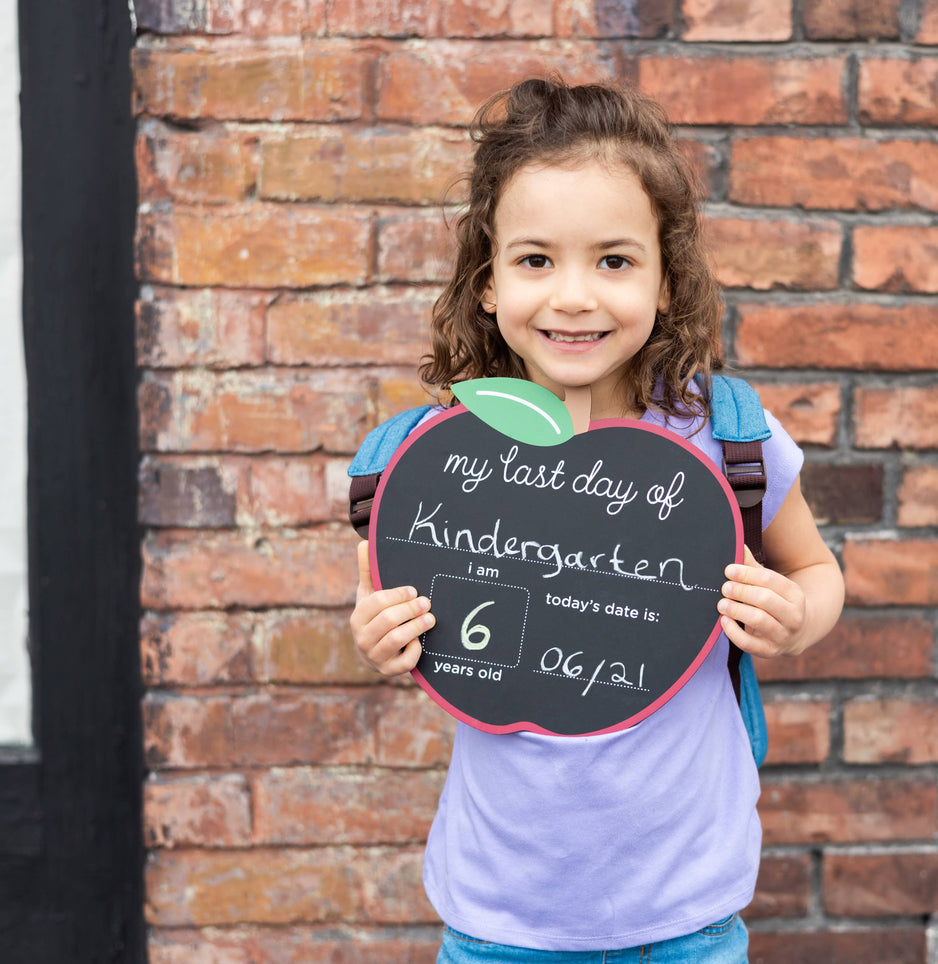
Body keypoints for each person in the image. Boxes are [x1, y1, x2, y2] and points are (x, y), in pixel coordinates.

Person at [350, 77, 845, 963]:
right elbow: (394, 613)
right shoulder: (435, 463)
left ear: (665, 279)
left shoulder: (726, 440)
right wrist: (380, 636)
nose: (573, 296)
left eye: (613, 261)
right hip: (499, 921)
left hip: (684, 919)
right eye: (535, 261)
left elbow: (814, 569)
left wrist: (796, 616)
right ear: (487, 282)